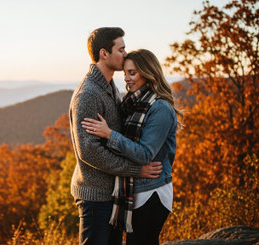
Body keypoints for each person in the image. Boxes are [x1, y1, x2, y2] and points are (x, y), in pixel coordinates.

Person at [69, 27, 163, 245]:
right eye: (121, 49)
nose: (126, 54)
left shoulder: (109, 86)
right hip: (95, 196)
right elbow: (89, 152)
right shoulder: (89, 94)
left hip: (112, 193)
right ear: (104, 53)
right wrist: (135, 170)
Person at [81, 49, 181, 245]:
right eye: (125, 73)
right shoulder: (132, 103)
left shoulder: (160, 108)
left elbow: (144, 154)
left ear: (148, 72)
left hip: (153, 191)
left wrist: (110, 134)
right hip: (134, 189)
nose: (126, 78)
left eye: (132, 73)